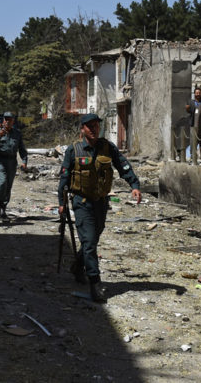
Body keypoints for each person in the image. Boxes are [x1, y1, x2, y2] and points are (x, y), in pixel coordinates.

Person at [58, 113, 141, 303]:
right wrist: (61, 204)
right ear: (82, 129)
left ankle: (78, 266)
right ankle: (95, 283)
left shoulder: (107, 147)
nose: (94, 129)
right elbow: (64, 178)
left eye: (96, 125)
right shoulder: (74, 150)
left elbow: (123, 166)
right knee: (88, 242)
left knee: (92, 240)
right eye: (89, 126)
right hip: (81, 202)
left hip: (101, 202)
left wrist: (134, 185)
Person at [0, 111, 27, 220]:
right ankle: (0, 204)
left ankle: (3, 207)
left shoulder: (17, 133)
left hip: (11, 162)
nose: (7, 121)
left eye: (9, 120)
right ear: (3, 121)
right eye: (5, 119)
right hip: (0, 162)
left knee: (8, 186)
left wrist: (24, 161)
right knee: (2, 183)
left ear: (13, 121)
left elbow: (22, 149)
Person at [185, 86, 201, 158]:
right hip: (193, 124)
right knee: (193, 139)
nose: (198, 94)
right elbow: (189, 111)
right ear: (194, 94)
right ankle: (192, 155)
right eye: (196, 93)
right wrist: (187, 109)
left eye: (199, 93)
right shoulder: (191, 102)